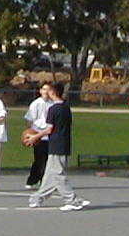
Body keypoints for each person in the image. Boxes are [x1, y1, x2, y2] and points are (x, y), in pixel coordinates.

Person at [28, 82, 90, 210]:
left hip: (57, 145)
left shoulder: (53, 109)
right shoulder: (66, 107)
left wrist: (35, 137)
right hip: (64, 144)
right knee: (49, 175)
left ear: (52, 92)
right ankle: (37, 198)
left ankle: (72, 200)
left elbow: (49, 129)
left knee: (58, 174)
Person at [22, 81, 53, 189]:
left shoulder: (53, 104)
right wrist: (29, 134)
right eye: (44, 89)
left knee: (48, 160)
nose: (46, 91)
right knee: (39, 159)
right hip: (37, 135)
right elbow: (30, 120)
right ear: (40, 91)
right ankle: (32, 179)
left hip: (49, 134)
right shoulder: (36, 104)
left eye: (48, 89)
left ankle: (44, 180)